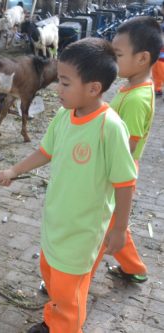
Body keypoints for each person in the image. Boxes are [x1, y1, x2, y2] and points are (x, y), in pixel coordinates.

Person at [0, 37, 137, 333]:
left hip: (83, 232)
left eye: (65, 83)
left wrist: (120, 229)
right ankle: (53, 320)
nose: (57, 89)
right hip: (56, 223)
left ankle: (64, 327)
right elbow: (45, 152)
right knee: (52, 277)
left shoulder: (109, 127)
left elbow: (125, 182)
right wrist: (13, 170)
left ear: (93, 88)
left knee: (69, 293)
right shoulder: (63, 116)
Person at [90, 16, 163, 283]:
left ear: (142, 58)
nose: (112, 61)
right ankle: (134, 268)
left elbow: (126, 147)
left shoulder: (136, 99)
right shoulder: (130, 86)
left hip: (118, 174)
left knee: (100, 229)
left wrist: (98, 169)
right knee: (113, 224)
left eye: (117, 54)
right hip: (118, 172)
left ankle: (76, 279)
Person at [151, 2, 164, 96]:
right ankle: (157, 89)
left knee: (160, 69)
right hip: (159, 50)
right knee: (156, 69)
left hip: (162, 50)